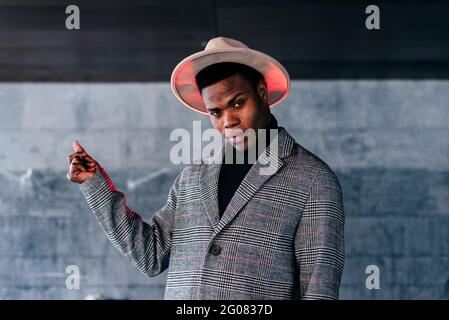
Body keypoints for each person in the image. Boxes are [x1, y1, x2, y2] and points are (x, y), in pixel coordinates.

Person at [67, 37, 345, 300]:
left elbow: (318, 289)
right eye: (216, 112)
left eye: (237, 103)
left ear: (262, 93)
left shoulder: (314, 179)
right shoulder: (194, 174)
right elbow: (150, 256)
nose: (229, 121)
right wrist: (95, 183)